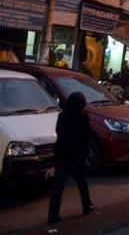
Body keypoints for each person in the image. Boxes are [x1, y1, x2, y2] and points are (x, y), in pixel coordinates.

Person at [48, 92, 94, 224]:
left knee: (58, 185)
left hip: (62, 153)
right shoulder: (83, 117)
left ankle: (53, 214)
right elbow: (87, 136)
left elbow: (58, 131)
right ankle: (86, 206)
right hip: (77, 154)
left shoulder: (62, 116)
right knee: (81, 182)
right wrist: (86, 152)